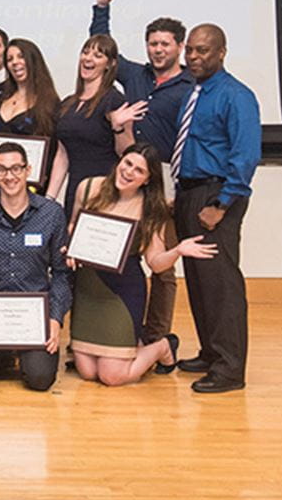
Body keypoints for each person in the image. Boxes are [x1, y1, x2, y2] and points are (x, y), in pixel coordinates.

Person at [88, 0, 194, 342]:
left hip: (165, 177)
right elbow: (103, 47)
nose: (158, 49)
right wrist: (101, 9)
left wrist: (177, 190)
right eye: (153, 43)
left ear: (179, 47)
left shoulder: (192, 87)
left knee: (161, 266)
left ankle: (157, 336)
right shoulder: (135, 75)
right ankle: (118, 328)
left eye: (165, 43)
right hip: (128, 175)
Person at [68, 143, 218, 386]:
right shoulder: (88, 188)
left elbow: (156, 264)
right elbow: (73, 226)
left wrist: (178, 251)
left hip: (122, 292)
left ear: (148, 179)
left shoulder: (151, 209)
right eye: (127, 163)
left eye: (139, 171)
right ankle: (129, 346)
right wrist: (72, 245)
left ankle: (162, 346)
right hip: (88, 290)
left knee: (111, 376)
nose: (128, 172)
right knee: (87, 372)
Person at [172, 24, 261, 394]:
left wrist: (222, 204)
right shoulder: (194, 92)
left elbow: (246, 154)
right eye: (190, 50)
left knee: (221, 285)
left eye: (202, 51)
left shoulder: (236, 95)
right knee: (198, 281)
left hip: (216, 195)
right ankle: (210, 352)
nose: (193, 57)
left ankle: (229, 370)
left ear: (222, 52)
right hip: (189, 192)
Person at [0, 142, 71, 391]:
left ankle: (11, 356)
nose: (9, 176)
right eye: (2, 170)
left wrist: (55, 319)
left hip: (34, 316)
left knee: (40, 380)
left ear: (27, 170)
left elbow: (61, 273)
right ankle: (2, 355)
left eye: (16, 169)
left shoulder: (51, 213)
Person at [47, 35, 141, 214]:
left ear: (110, 64)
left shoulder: (114, 100)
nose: (88, 58)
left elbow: (127, 153)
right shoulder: (67, 104)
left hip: (104, 190)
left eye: (98, 55)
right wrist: (50, 199)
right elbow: (62, 154)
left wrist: (118, 126)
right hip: (74, 189)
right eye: (85, 52)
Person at [0, 38, 61, 194]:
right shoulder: (0, 100)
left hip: (30, 192)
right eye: (9, 59)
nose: (15, 62)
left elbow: (55, 154)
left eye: (21, 56)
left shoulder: (50, 104)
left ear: (34, 61)